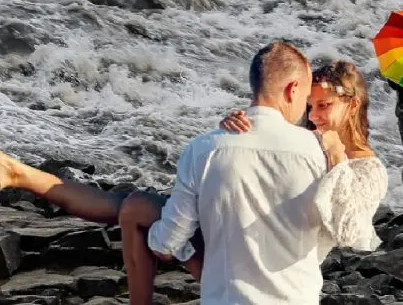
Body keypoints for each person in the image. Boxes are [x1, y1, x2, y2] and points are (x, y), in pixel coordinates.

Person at [0, 47, 387, 305]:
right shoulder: (307, 144)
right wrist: (238, 127)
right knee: (133, 205)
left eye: (324, 106)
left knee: (134, 208)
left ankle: (19, 173)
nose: (314, 115)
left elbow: (349, 228)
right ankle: (19, 174)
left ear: (351, 105)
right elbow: (259, 161)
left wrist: (336, 154)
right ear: (293, 92)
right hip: (257, 259)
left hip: (256, 264)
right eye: (310, 105)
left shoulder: (348, 160)